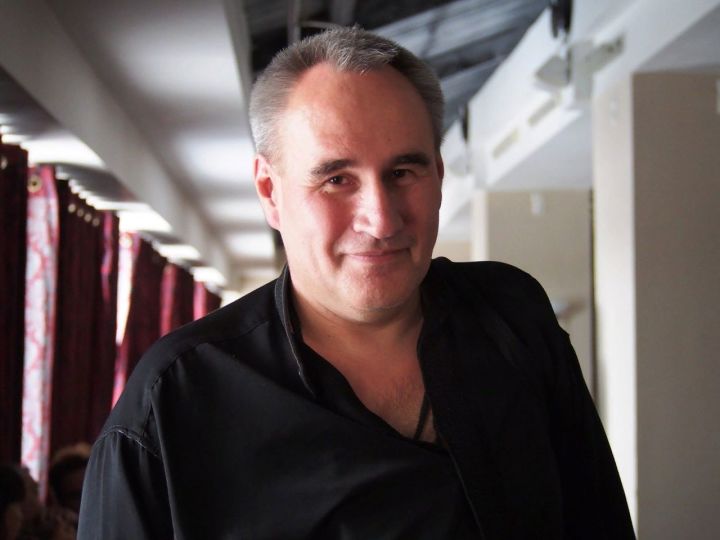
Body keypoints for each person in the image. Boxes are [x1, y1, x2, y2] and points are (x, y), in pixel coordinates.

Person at [78, 27, 634, 539]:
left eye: (403, 172)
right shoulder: (172, 406)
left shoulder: (511, 314)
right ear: (270, 191)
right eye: (337, 179)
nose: (382, 220)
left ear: (439, 175)